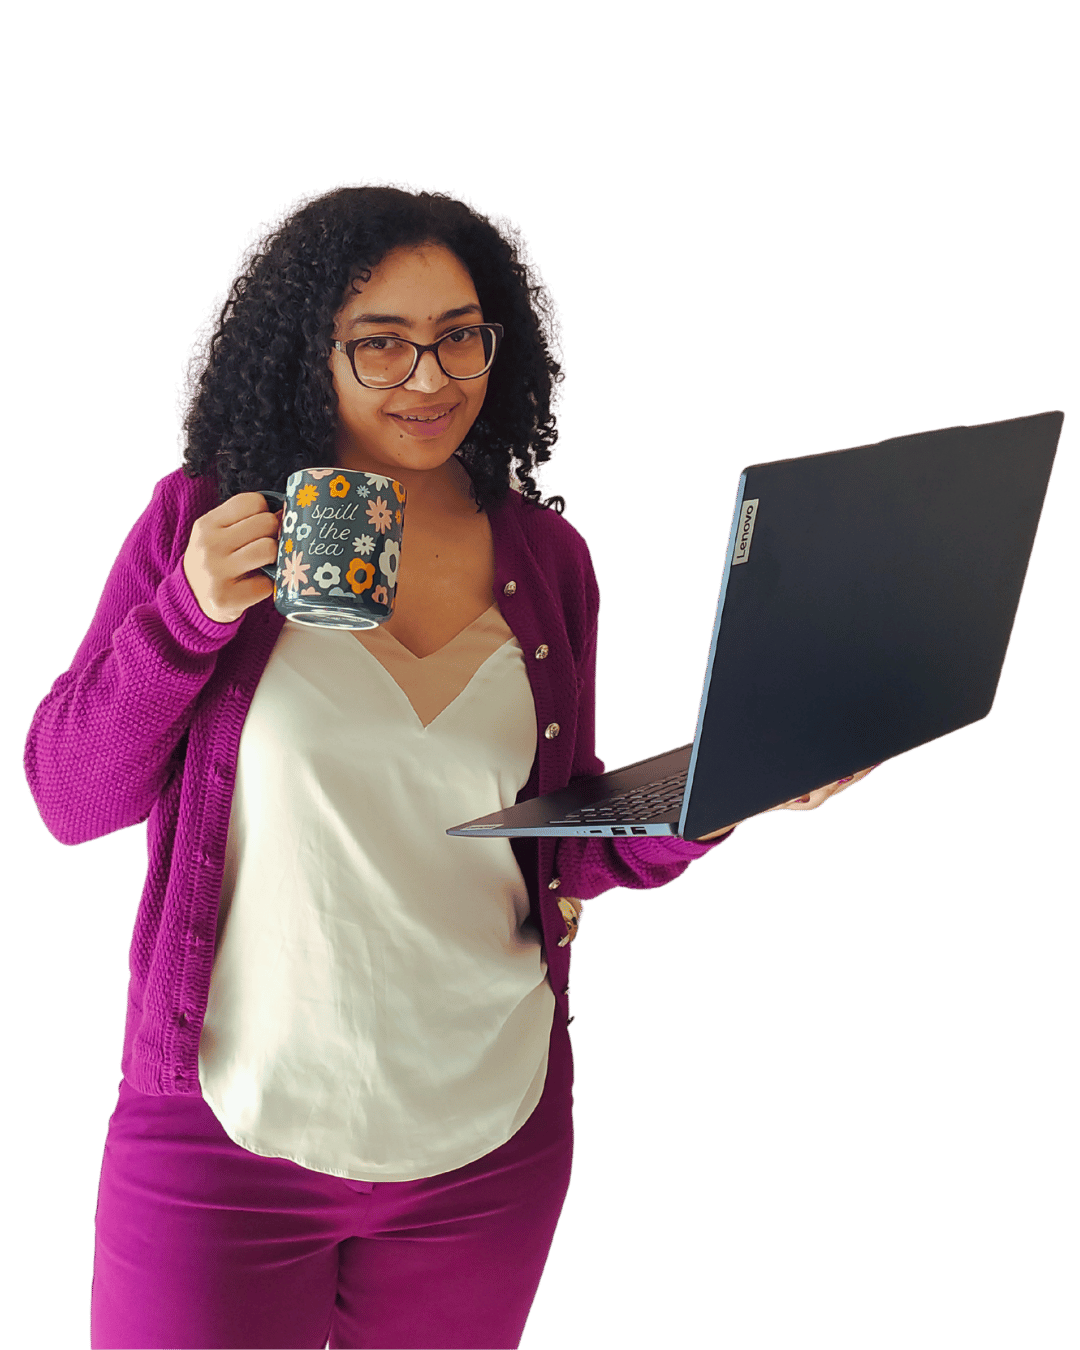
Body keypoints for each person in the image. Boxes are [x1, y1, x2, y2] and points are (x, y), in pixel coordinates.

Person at [24, 181, 875, 1350]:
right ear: (310, 350)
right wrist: (188, 614)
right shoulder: (203, 525)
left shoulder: (548, 557)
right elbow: (71, 800)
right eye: (381, 343)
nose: (429, 379)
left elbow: (562, 853)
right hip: (223, 1135)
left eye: (459, 337)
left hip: (489, 1139)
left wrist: (730, 789)